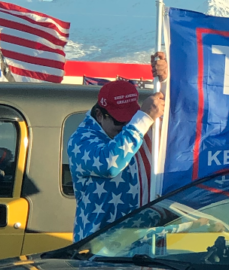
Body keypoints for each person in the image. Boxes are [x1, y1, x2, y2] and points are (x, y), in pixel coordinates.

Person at [68, 54, 167, 242]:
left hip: (146, 248)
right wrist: (143, 118)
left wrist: (164, 79)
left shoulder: (138, 128)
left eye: (130, 119)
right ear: (99, 115)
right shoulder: (80, 141)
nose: (125, 127)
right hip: (99, 252)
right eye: (119, 121)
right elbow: (109, 164)